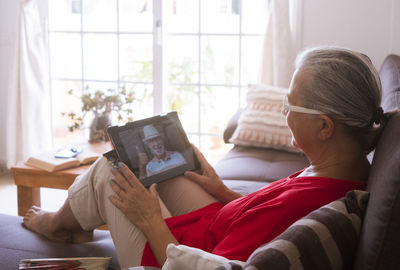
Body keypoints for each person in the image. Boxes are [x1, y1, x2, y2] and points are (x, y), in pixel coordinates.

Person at [22, 47, 394, 269]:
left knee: (111, 169)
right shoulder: (340, 171)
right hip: (213, 225)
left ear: (325, 126)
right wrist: (222, 189)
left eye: (289, 104)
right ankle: (72, 223)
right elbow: (262, 216)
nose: (284, 112)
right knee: (159, 161)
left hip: (174, 253)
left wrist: (149, 219)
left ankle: (57, 224)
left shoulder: (310, 203)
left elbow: (204, 265)